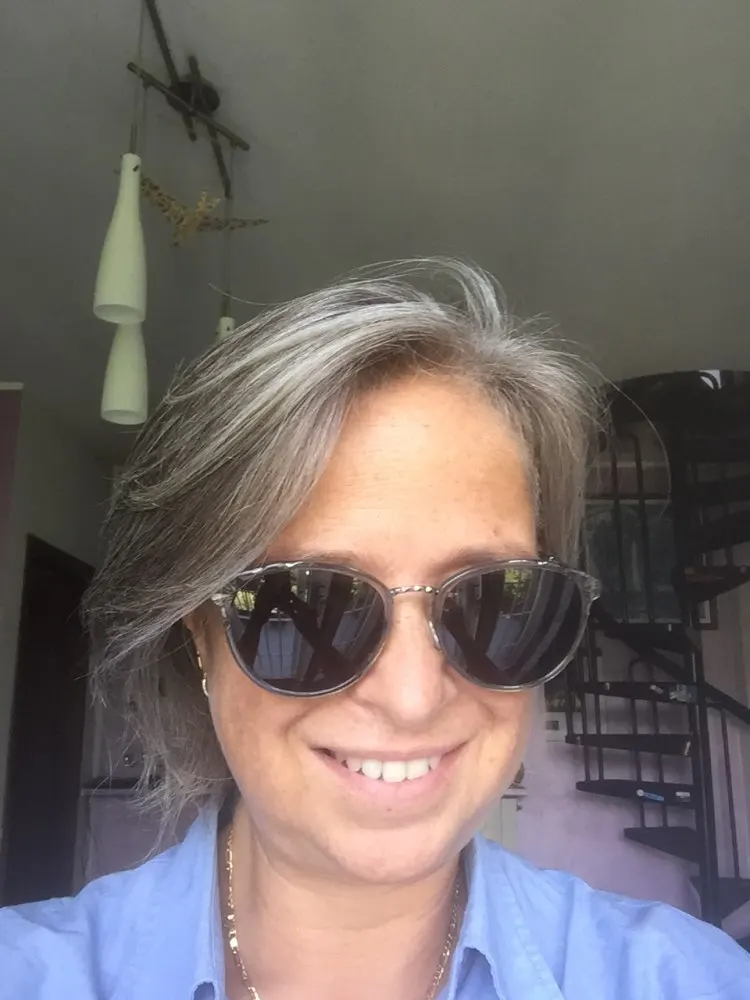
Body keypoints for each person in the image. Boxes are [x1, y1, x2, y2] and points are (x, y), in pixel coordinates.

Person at [1, 260, 748, 1000]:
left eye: (494, 600)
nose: (412, 697)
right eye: (310, 605)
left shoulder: (686, 980)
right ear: (201, 635)